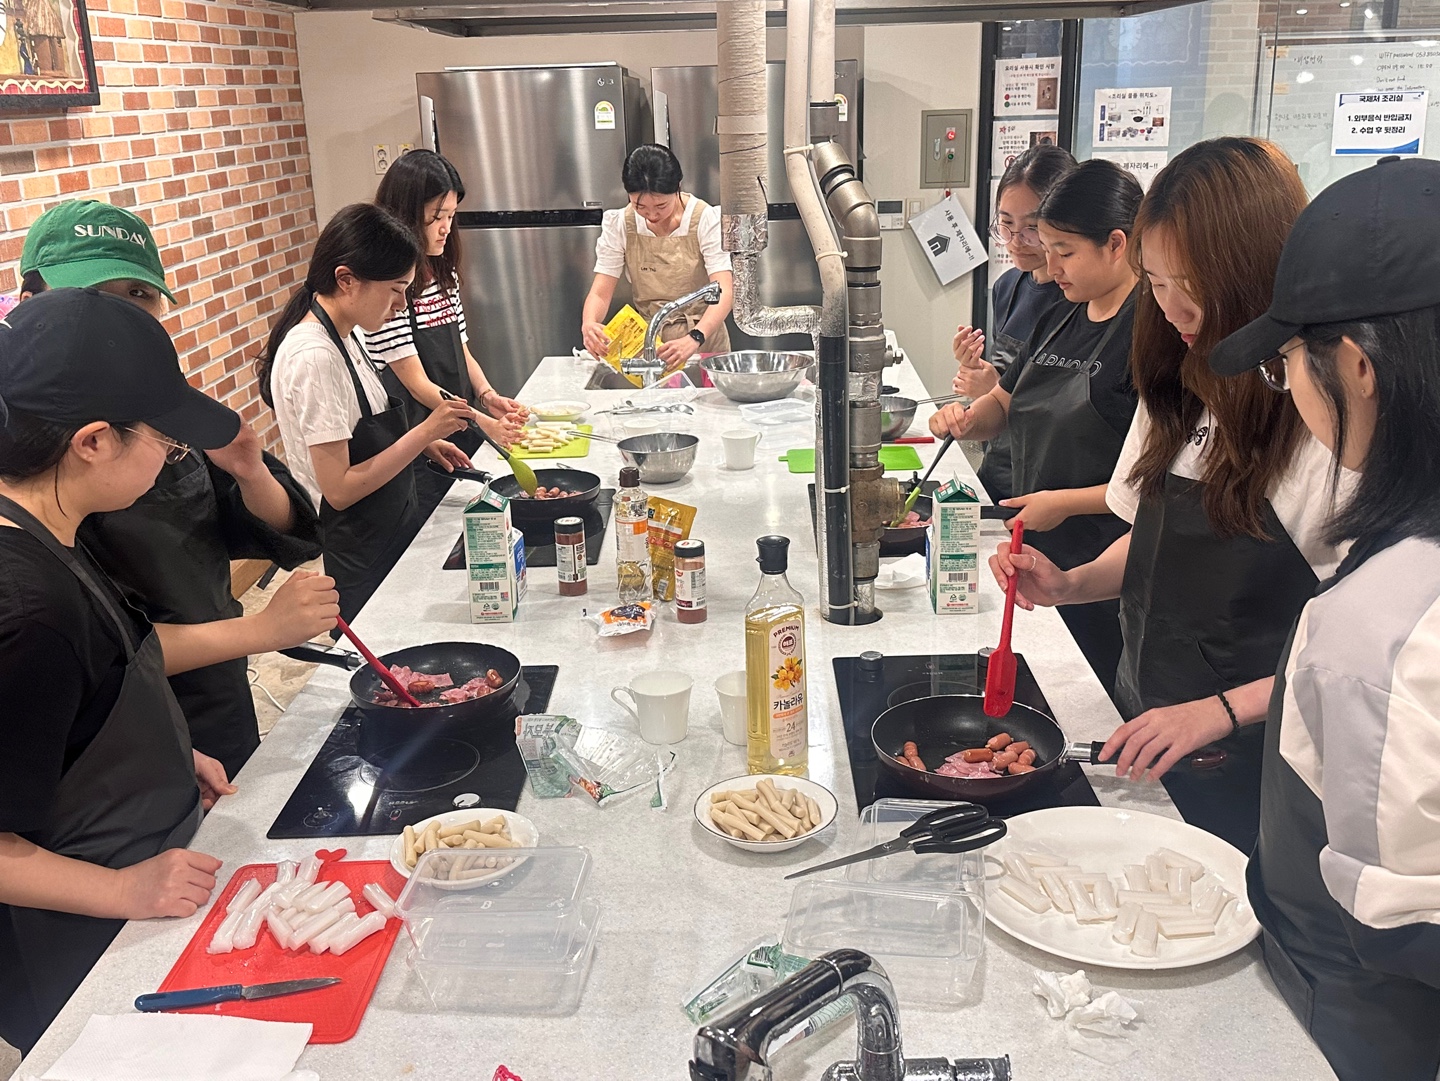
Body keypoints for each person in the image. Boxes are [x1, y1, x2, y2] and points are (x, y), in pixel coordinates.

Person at [0, 289, 340, 1053]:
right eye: (164, 438)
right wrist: (125, 887)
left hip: (146, 872)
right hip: (86, 933)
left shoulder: (57, 528)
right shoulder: (26, 606)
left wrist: (163, 754)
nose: (172, 455)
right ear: (93, 442)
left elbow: (88, 694)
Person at [987, 139, 1345, 853]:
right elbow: (1157, 540)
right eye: (1155, 281)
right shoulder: (1177, 382)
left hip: (1264, 755)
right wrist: (1071, 583)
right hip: (1151, 717)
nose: (1173, 306)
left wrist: (1219, 711)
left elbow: (1356, 650)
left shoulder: (1321, 420)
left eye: (1192, 282)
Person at [1208, 156, 1440, 1081]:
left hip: (1353, 1034)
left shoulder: (1379, 627)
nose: (1289, 390)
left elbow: (1405, 924)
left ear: (1357, 367)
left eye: (1286, 363)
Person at [16, 200, 324, 779]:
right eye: (94, 296)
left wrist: (250, 469)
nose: (120, 316)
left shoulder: (167, 410)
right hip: (108, 741)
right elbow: (98, 648)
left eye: (139, 295)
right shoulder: (30, 472)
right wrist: (261, 629)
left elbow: (286, 532)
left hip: (215, 702)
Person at [933, 159, 1142, 692]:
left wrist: (1064, 502)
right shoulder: (1062, 312)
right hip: (1038, 551)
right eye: (1046, 248)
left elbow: (1153, 480)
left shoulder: (1149, 334)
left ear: (1116, 244)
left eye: (1064, 251)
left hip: (1105, 561)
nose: (1049, 265)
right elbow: (1005, 403)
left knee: (1092, 692)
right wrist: (964, 420)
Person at [258, 203, 474, 623]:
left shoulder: (346, 335)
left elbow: (362, 426)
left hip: (386, 532)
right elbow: (339, 488)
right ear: (346, 280)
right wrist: (424, 432)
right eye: (396, 290)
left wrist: (424, 444)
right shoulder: (314, 356)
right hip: (360, 551)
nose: (402, 305)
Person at [368, 150, 527, 517]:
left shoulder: (442, 273)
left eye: (451, 217)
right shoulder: (390, 287)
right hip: (417, 435)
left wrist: (487, 395)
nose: (445, 228)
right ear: (405, 216)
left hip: (458, 421)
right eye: (436, 218)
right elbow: (415, 383)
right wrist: (482, 422)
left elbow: (461, 346)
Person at [951, 145, 1076, 502]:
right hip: (999, 473)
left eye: (1032, 228)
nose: (1016, 242)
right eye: (1006, 224)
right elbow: (1005, 383)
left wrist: (994, 390)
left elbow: (1066, 419)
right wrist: (975, 371)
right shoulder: (1008, 286)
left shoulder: (1079, 301)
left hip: (1048, 490)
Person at [580, 144, 734, 370]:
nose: (651, 214)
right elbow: (600, 293)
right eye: (639, 206)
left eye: (661, 205)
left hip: (705, 341)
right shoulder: (620, 223)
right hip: (650, 344)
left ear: (678, 187)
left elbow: (724, 290)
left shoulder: (705, 219)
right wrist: (589, 323)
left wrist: (695, 337)